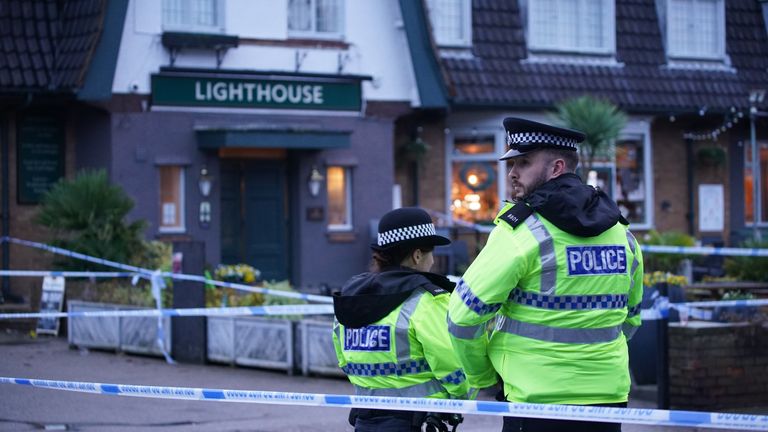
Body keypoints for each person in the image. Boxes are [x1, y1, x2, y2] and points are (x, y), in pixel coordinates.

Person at [446, 117, 644, 432]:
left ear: (556, 168)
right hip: (607, 399)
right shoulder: (622, 234)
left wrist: (483, 377)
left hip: (535, 400)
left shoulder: (521, 233)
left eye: (523, 163)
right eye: (512, 163)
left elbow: (462, 317)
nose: (512, 172)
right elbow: (631, 318)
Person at [333, 207, 471, 432]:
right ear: (417, 255)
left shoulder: (352, 297)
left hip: (363, 417)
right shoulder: (427, 301)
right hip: (417, 421)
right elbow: (452, 363)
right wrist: (460, 397)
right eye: (430, 253)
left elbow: (343, 359)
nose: (433, 261)